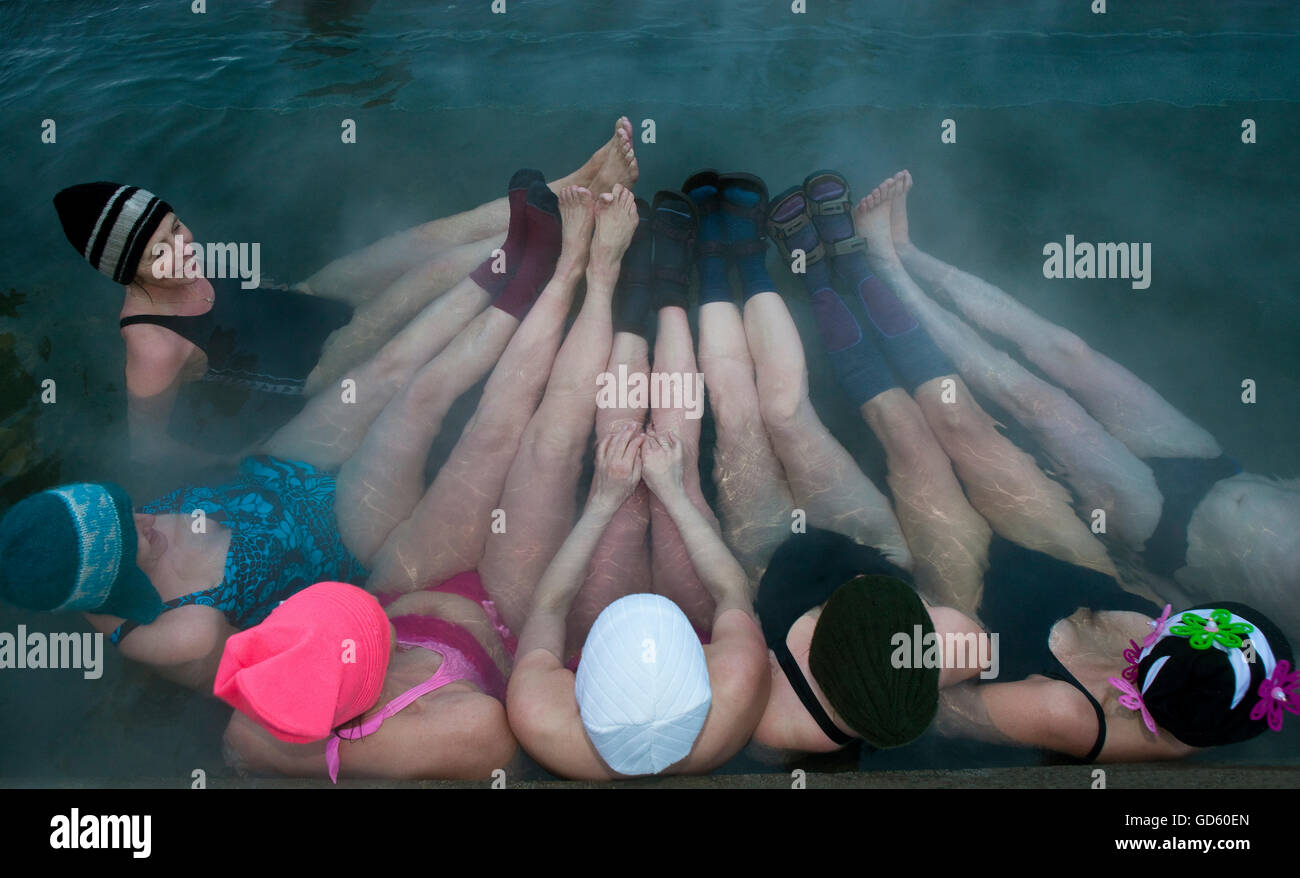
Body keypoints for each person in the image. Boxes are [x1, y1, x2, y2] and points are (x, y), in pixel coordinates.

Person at [0, 178, 593, 693]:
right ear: (117, 581)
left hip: (268, 472)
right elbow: (277, 691)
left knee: (389, 373)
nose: (148, 518)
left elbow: (147, 468)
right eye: (138, 539)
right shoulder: (181, 634)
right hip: (338, 538)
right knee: (445, 418)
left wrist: (234, 452)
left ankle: (517, 265)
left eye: (129, 511)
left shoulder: (83, 555)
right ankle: (552, 281)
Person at [853, 170, 1300, 643]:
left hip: (1165, 529)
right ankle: (908, 253)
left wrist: (1147, 581)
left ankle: (886, 268)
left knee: (1039, 404)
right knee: (1069, 350)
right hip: (1213, 467)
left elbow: (1235, 647)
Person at [50, 119, 639, 468]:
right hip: (310, 370)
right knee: (428, 279)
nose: (183, 249)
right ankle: (550, 242)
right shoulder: (151, 349)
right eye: (159, 252)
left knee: (420, 240)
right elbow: (146, 449)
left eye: (176, 228)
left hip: (299, 301)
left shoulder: (173, 261)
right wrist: (237, 464)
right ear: (125, 273)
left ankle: (581, 179)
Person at [498, 186, 769, 778]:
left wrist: (600, 502)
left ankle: (628, 299)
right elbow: (730, 593)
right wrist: (670, 488)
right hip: (695, 625)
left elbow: (550, 603)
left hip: (591, 622)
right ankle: (669, 293)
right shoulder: (735, 693)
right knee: (677, 470)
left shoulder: (543, 718)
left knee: (616, 475)